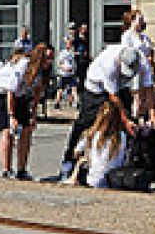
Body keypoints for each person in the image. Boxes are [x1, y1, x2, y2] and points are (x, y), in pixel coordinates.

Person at [58, 41, 142, 182]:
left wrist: (133, 117)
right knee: (85, 123)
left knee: (128, 124)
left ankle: (127, 161)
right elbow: (113, 97)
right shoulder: (108, 64)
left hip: (119, 89)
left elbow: (143, 86)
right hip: (95, 90)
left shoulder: (137, 58)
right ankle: (68, 163)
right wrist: (125, 119)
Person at [0, 47, 35, 179]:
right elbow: (10, 91)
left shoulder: (41, 70)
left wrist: (33, 114)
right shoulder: (23, 65)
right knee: (7, 130)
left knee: (26, 129)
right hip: (0, 93)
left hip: (19, 95)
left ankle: (21, 169)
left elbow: (37, 92)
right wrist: (12, 116)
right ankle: (6, 169)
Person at [80, 96, 137, 189]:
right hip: (113, 180)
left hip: (92, 180)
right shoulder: (121, 136)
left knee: (81, 161)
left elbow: (76, 152)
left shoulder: (91, 134)